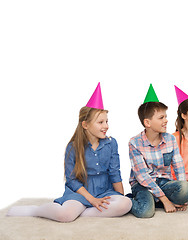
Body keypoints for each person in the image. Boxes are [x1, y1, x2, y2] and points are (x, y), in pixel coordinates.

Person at [7, 83, 132, 222]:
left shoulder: (111, 143)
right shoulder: (73, 147)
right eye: (100, 122)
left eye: (107, 121)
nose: (106, 126)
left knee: (126, 204)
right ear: (85, 125)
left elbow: (115, 172)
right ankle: (35, 210)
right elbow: (72, 180)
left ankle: (81, 213)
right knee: (64, 216)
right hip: (80, 193)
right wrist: (92, 200)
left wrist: (121, 197)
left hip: (104, 191)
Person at [127, 84, 188, 218]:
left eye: (166, 116)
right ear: (147, 123)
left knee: (187, 188)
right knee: (145, 212)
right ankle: (129, 201)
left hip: (164, 183)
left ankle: (154, 199)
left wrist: (182, 197)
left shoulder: (170, 139)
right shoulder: (135, 143)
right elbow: (142, 176)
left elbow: (178, 166)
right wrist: (165, 200)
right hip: (143, 185)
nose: (166, 120)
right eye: (161, 118)